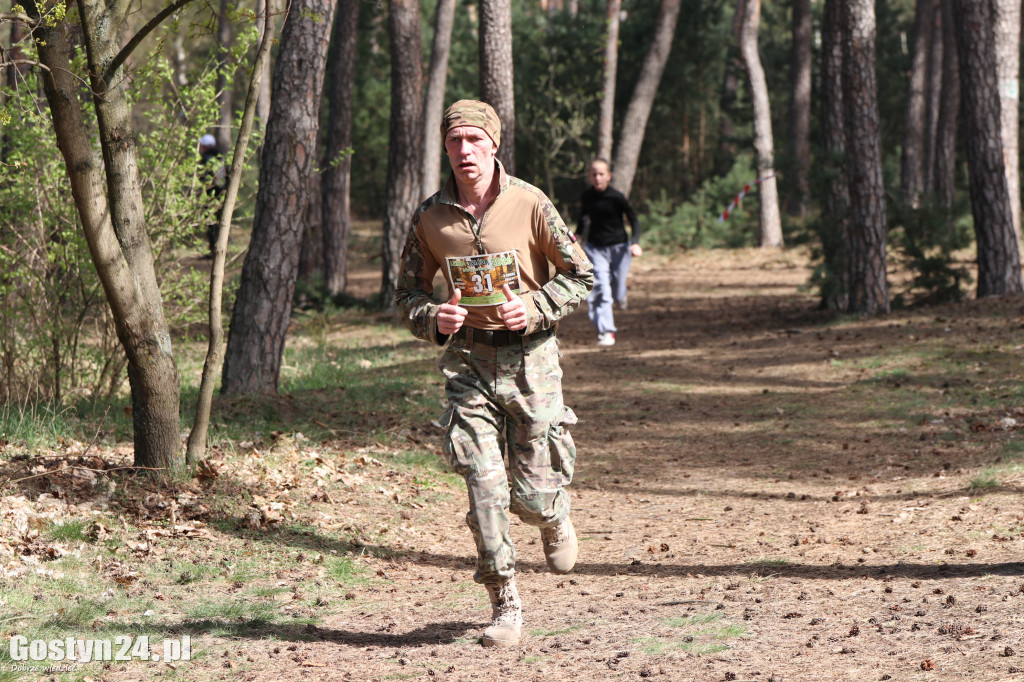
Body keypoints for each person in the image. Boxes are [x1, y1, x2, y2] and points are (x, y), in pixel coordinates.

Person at [394, 100, 593, 648]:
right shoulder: (431, 217)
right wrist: (435, 317)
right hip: (468, 365)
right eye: (455, 142)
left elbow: (581, 274)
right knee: (483, 485)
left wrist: (534, 307)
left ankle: (551, 512)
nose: (464, 152)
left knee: (527, 500)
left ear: (493, 145)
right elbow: (406, 294)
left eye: (474, 141)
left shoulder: (529, 203)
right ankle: (505, 601)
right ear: (446, 149)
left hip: (532, 362)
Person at [576, 158, 642, 346]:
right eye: (594, 174)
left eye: (601, 174)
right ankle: (606, 332)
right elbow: (583, 218)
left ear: (609, 176)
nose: (597, 178)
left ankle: (621, 297)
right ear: (590, 176)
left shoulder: (617, 197)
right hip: (596, 249)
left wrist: (635, 243)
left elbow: (634, 220)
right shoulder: (587, 196)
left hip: (620, 248)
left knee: (617, 291)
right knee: (601, 290)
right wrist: (577, 236)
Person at [197, 134, 226, 257]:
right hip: (222, 194)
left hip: (211, 195)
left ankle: (213, 250)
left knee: (211, 223)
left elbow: (205, 179)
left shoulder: (206, 159)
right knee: (221, 222)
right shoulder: (221, 157)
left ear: (205, 146)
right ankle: (221, 249)